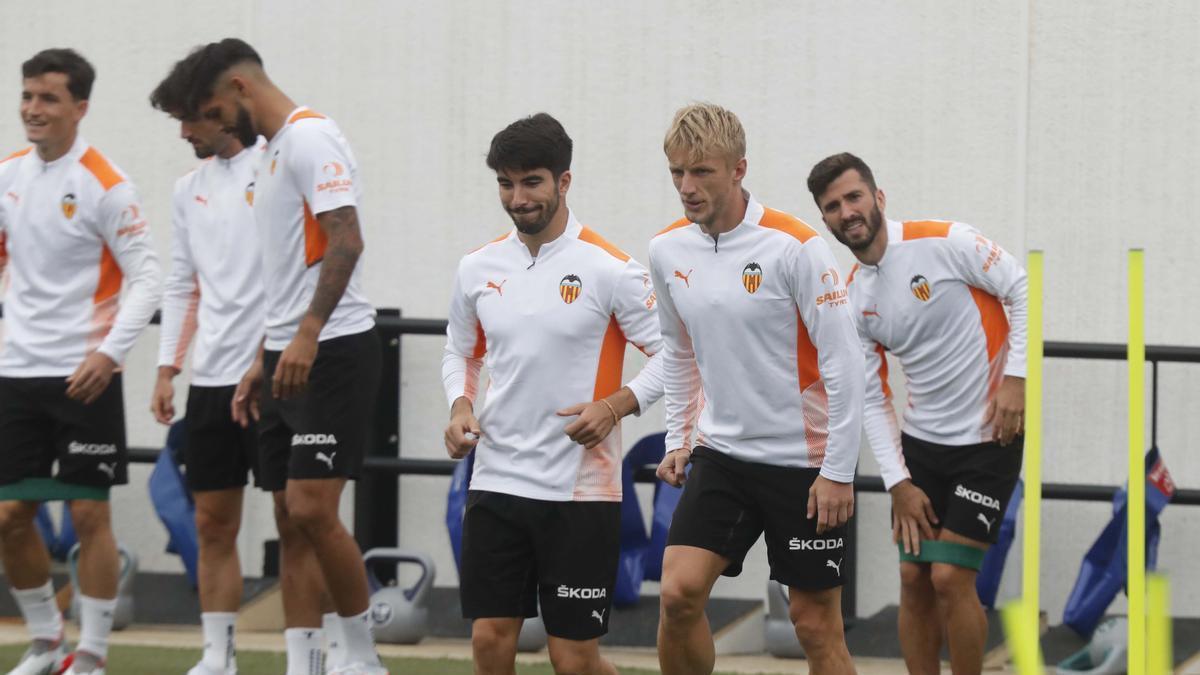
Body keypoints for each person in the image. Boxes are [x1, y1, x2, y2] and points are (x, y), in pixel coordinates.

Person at [180, 38, 382, 675]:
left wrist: (306, 333)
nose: (211, 126)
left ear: (240, 88)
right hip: (283, 358)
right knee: (288, 519)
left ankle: (364, 660)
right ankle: (308, 664)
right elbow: (285, 272)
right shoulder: (269, 154)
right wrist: (262, 361)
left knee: (312, 509)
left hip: (335, 348)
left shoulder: (309, 137)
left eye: (213, 109)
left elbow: (347, 240)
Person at [442, 112, 664, 675]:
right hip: (494, 481)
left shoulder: (613, 270)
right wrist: (460, 405)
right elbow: (461, 352)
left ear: (564, 181)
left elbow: (678, 359)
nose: (518, 198)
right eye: (505, 183)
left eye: (532, 181)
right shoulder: (476, 268)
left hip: (580, 493)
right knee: (491, 640)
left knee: (574, 658)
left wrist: (616, 406)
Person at [648, 104, 864, 675]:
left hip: (805, 464)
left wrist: (838, 471)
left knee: (815, 628)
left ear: (738, 169)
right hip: (722, 456)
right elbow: (678, 350)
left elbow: (846, 366)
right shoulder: (666, 250)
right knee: (677, 594)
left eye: (702, 172)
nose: (687, 188)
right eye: (677, 173)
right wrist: (678, 438)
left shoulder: (795, 246)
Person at [807, 152, 1027, 675]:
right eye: (833, 206)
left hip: (989, 439)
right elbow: (872, 400)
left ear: (879, 198)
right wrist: (898, 483)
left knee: (950, 577)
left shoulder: (946, 241)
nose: (847, 211)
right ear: (826, 220)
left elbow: (1021, 286)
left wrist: (1016, 379)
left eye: (854, 197)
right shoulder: (852, 298)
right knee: (913, 580)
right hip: (922, 449)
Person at [0, 48, 162, 675]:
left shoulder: (106, 183)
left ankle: (91, 654)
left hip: (84, 375)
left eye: (48, 98)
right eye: (27, 96)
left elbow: (146, 279)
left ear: (79, 108)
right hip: (17, 371)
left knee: (88, 513)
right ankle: (45, 642)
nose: (32, 109)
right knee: (11, 516)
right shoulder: (8, 175)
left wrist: (109, 353)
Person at [147, 53, 269, 675]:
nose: (183, 133)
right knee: (213, 522)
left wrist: (263, 356)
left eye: (190, 119)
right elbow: (182, 284)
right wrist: (169, 366)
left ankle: (322, 648)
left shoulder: (275, 167)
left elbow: (295, 273)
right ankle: (217, 655)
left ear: (222, 110)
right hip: (210, 382)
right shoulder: (185, 190)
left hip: (274, 375)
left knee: (304, 519)